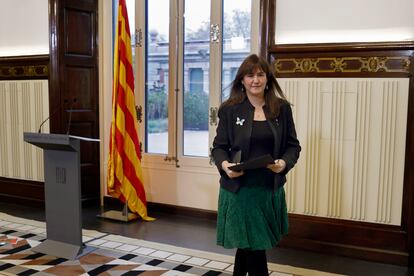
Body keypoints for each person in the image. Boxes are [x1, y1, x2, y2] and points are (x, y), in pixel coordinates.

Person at [211, 54, 301, 276]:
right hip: (239, 188)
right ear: (241, 80)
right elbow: (219, 147)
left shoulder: (282, 108)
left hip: (268, 187)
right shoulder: (230, 110)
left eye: (260, 75)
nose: (255, 80)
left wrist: (284, 163)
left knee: (248, 243)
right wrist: (225, 166)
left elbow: (293, 146)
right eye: (250, 75)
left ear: (268, 78)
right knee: (256, 245)